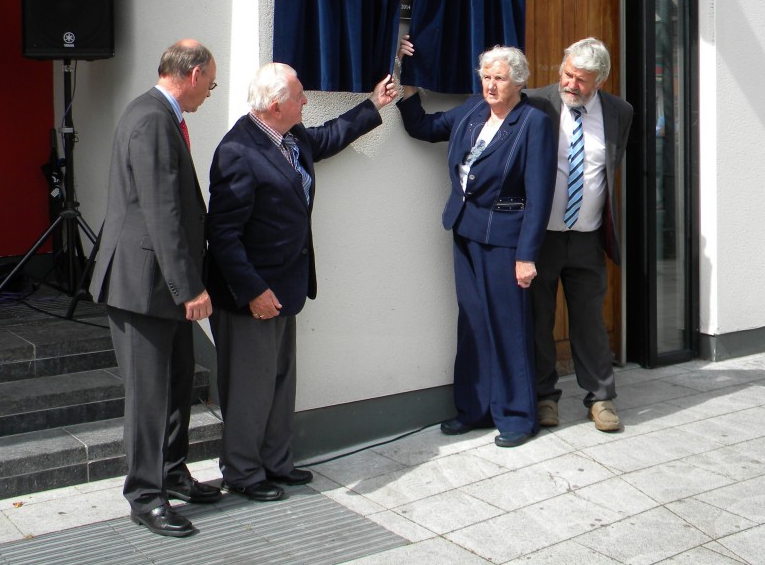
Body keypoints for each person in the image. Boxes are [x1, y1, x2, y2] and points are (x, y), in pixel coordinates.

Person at [206, 63, 397, 501]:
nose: (306, 101)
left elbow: (327, 138)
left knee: (279, 380)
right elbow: (222, 235)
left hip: (286, 286)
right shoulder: (238, 150)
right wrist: (253, 291)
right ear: (275, 106)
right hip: (250, 294)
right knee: (249, 389)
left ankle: (275, 462)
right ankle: (243, 473)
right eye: (299, 96)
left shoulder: (290, 138)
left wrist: (373, 105)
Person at [88, 39, 222, 538]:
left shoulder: (160, 116)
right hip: (143, 287)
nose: (211, 91)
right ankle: (145, 496)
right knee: (148, 397)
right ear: (192, 75)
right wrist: (190, 288)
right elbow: (162, 212)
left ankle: (171, 473)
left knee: (177, 384)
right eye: (211, 81)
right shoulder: (151, 119)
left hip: (159, 284)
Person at [397, 36, 556, 448]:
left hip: (505, 239)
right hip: (465, 231)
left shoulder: (533, 122)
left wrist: (527, 256)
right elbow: (424, 128)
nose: (490, 85)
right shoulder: (472, 109)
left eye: (499, 78)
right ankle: (474, 409)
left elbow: (540, 195)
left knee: (509, 327)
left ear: (519, 82)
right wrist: (409, 87)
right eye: (485, 76)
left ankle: (518, 417)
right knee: (471, 322)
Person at [525, 37, 633, 432]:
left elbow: (608, 169)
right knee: (539, 321)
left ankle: (601, 398)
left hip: (588, 237)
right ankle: (544, 399)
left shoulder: (620, 112)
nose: (572, 84)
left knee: (589, 321)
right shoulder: (535, 102)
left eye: (582, 80)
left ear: (599, 81)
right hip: (541, 238)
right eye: (568, 74)